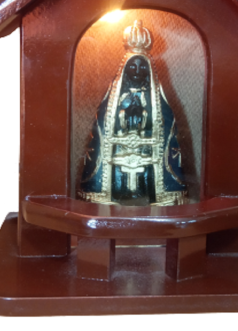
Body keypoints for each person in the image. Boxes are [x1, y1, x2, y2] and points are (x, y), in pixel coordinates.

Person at [78, 20, 187, 206]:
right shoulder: (115, 96)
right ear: (125, 68)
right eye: (133, 66)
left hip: (148, 152)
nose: (137, 71)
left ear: (149, 68)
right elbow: (103, 124)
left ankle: (158, 194)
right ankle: (107, 193)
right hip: (118, 152)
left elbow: (166, 123)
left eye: (142, 66)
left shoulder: (155, 97)